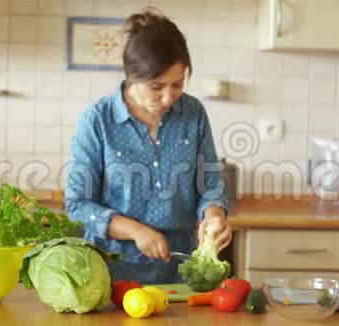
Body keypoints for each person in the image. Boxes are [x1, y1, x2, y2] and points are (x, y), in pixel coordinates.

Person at [65, 8, 231, 284]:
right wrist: (136, 230)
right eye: (156, 87)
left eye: (178, 84)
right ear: (132, 76)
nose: (168, 97)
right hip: (111, 271)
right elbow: (78, 205)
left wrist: (214, 216)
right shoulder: (98, 120)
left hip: (178, 269)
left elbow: (211, 186)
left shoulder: (193, 113)